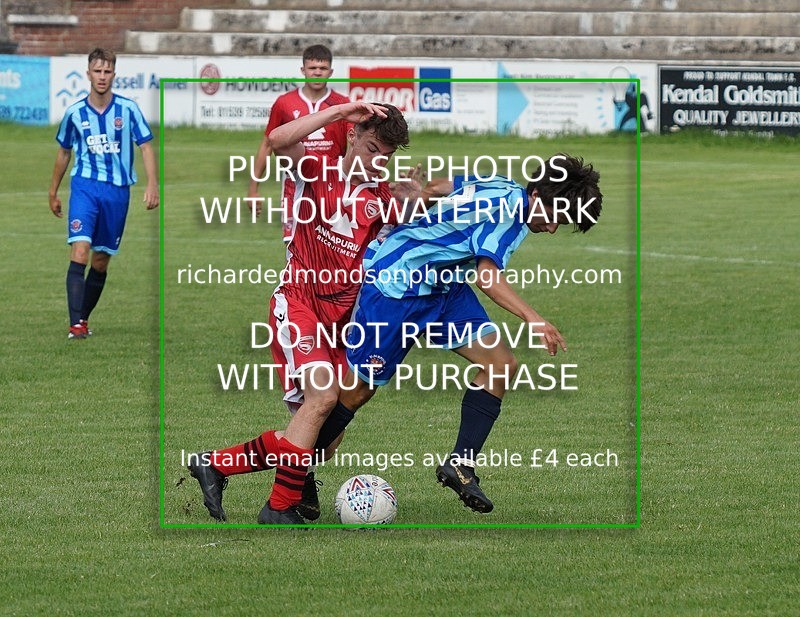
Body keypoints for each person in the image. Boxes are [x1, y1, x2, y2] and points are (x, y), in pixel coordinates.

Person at [315, 153, 603, 514]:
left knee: (500, 365)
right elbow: (487, 276)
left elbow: (436, 187)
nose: (553, 228)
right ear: (538, 196)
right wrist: (534, 319)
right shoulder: (510, 218)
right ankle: (297, 475)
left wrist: (418, 203)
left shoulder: (501, 183)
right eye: (556, 217)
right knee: (355, 394)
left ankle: (460, 464)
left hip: (442, 287)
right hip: (397, 285)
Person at [188, 101, 414, 524]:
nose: (377, 162)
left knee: (324, 439)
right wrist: (339, 111)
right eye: (371, 149)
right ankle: (277, 508)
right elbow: (276, 141)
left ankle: (216, 465)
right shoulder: (318, 169)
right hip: (299, 303)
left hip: (343, 322)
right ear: (351, 135)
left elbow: (405, 239)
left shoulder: (383, 198)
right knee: (323, 399)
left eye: (386, 155)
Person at [49, 48, 159, 339]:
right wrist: (53, 191)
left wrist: (152, 184)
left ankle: (82, 318)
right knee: (81, 249)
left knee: (100, 260)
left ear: (114, 74)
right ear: (88, 74)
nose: (102, 76)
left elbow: (146, 146)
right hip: (85, 187)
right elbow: (64, 152)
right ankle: (75, 325)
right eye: (97, 71)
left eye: (107, 71)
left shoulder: (128, 109)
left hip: (117, 192)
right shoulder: (75, 113)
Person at [247, 44, 350, 241]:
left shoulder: (342, 104)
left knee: (333, 246)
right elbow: (267, 144)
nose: (317, 73)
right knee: (293, 246)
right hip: (294, 185)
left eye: (323, 68)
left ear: (331, 71)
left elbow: (355, 145)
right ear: (303, 70)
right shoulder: (284, 103)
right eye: (312, 68)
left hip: (332, 184)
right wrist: (253, 189)